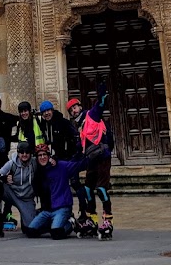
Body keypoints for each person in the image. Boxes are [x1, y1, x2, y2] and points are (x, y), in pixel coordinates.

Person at [67, 82, 114, 239]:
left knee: (101, 189)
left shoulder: (90, 115)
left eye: (75, 107)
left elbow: (99, 106)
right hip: (91, 159)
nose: (74, 111)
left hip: (103, 157)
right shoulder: (79, 126)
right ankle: (92, 219)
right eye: (71, 110)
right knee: (88, 189)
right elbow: (82, 147)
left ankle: (107, 220)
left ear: (80, 106)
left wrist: (101, 95)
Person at [26, 145, 85, 240]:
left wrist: (86, 155)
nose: (42, 157)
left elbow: (78, 164)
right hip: (47, 210)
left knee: (56, 234)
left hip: (62, 207)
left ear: (49, 155)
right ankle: (53, 225)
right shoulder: (38, 171)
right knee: (30, 232)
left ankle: (70, 223)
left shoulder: (60, 165)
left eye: (44, 154)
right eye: (40, 155)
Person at [0, 141, 37, 230]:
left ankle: (27, 218)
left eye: (27, 152)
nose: (24, 154)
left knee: (31, 228)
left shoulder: (34, 162)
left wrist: (54, 159)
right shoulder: (11, 163)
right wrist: (4, 178)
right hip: (12, 194)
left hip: (26, 198)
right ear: (18, 153)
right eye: (22, 152)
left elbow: (45, 160)